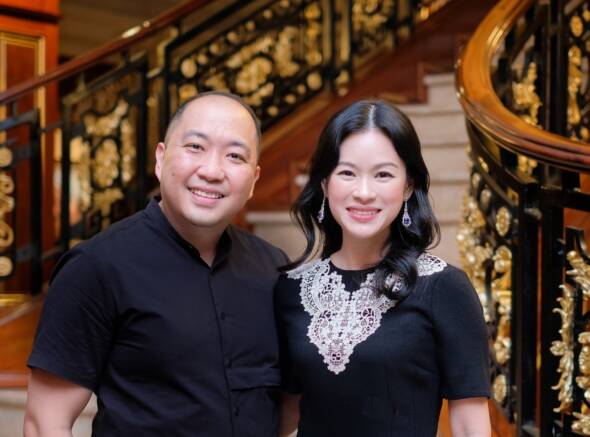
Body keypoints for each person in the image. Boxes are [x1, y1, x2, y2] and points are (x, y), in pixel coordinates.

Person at [24, 92, 288, 437]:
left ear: (253, 179)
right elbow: (45, 424)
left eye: (235, 156)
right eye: (195, 147)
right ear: (160, 159)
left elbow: (280, 409)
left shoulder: (274, 268)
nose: (212, 171)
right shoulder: (96, 266)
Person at [275, 99, 491, 436]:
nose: (364, 193)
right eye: (347, 173)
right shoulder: (292, 289)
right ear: (325, 184)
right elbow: (286, 415)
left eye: (383, 175)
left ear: (408, 186)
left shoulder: (443, 287)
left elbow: (469, 427)